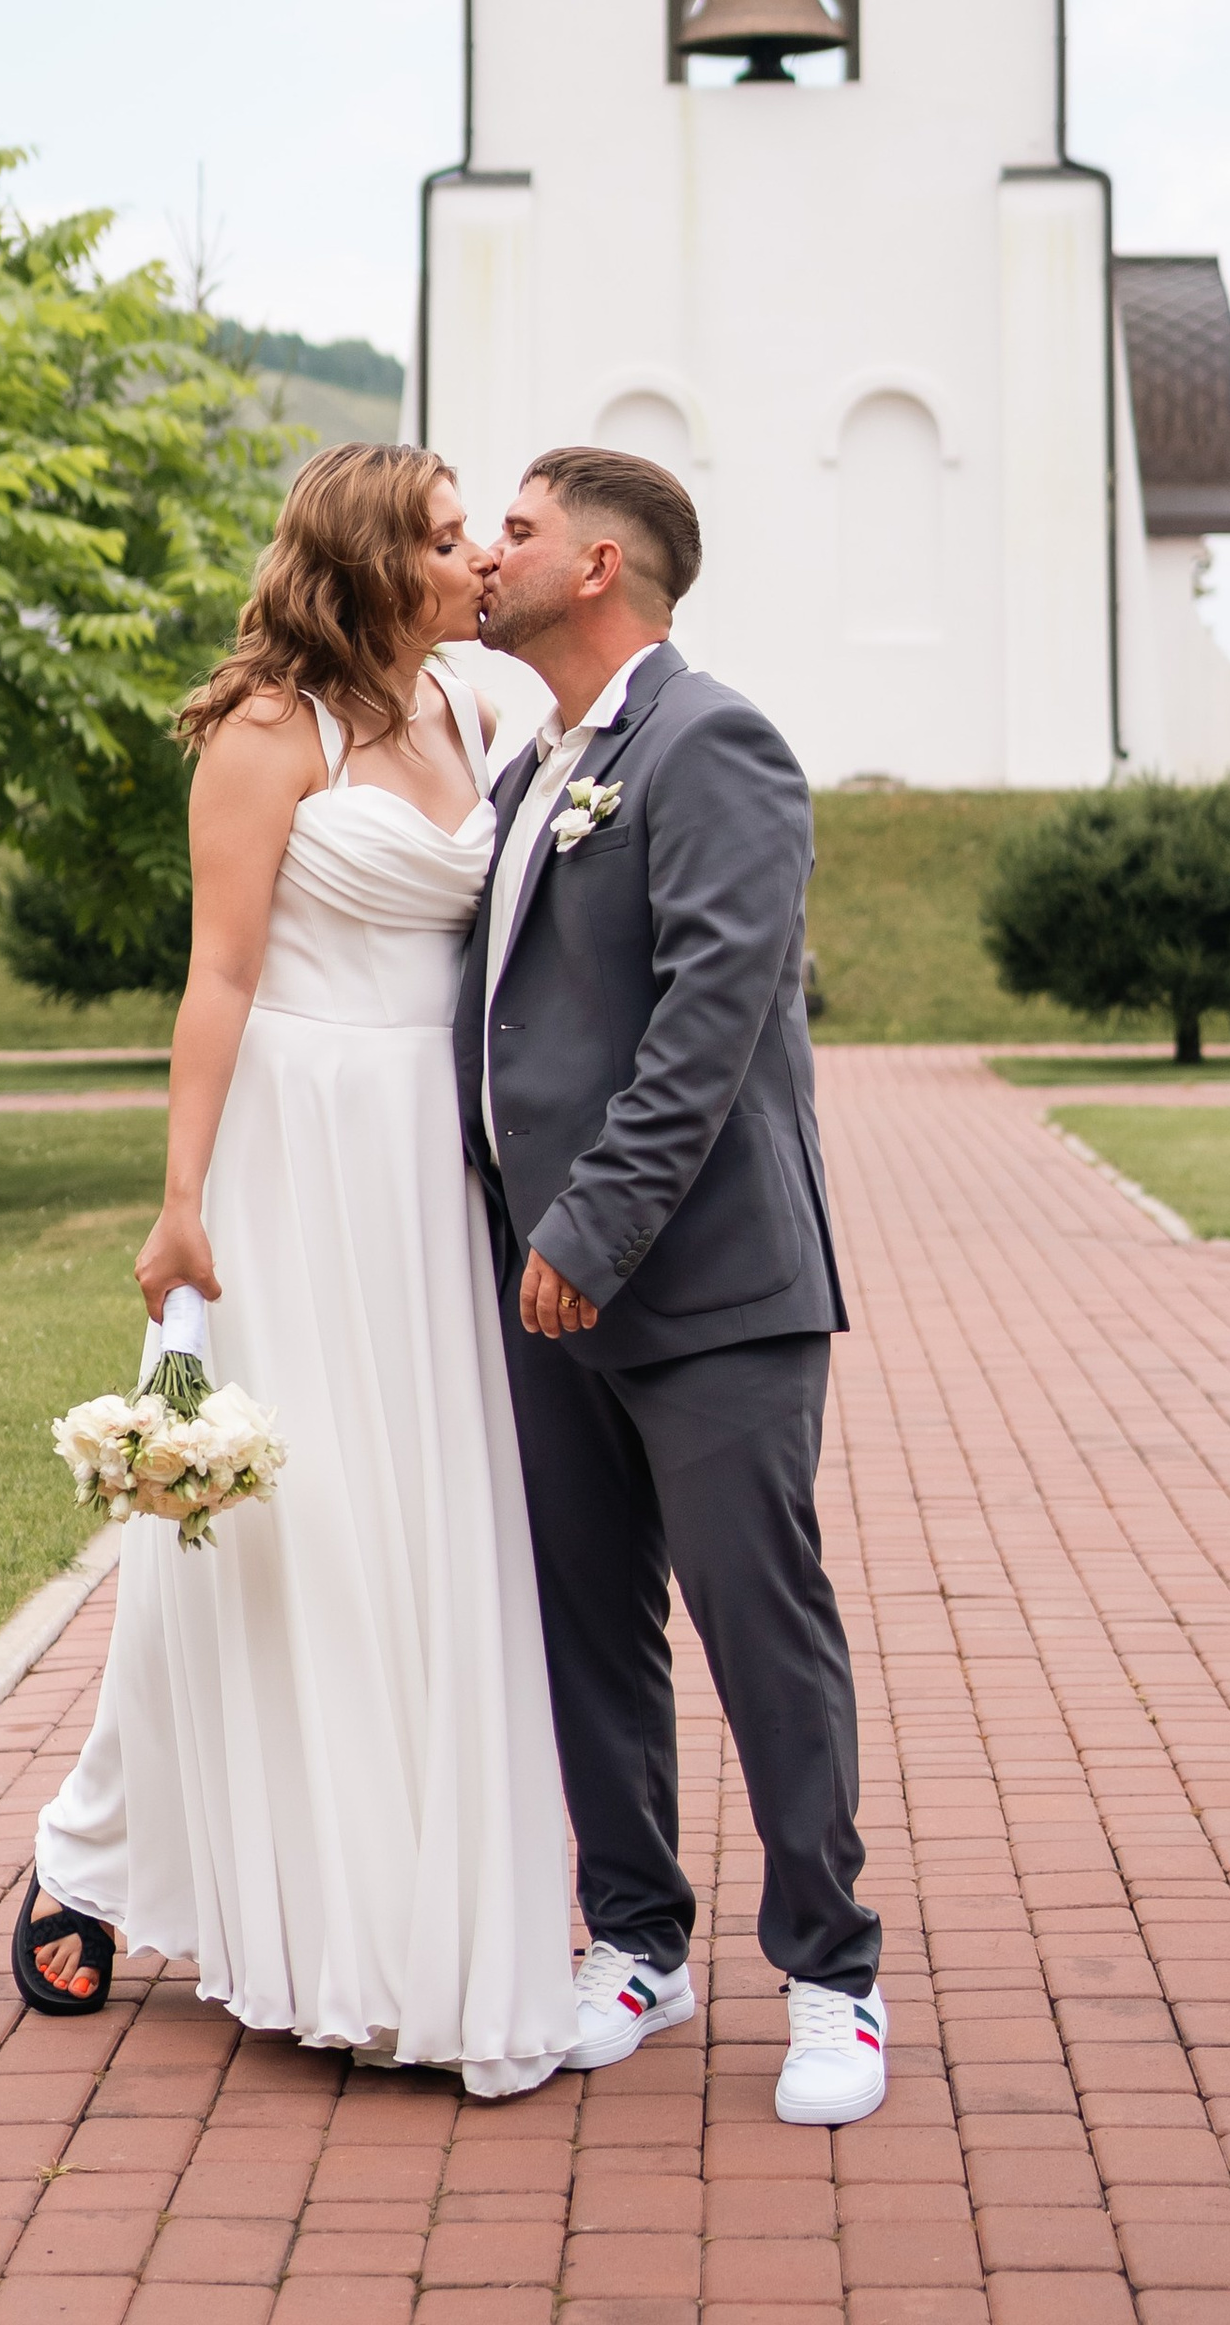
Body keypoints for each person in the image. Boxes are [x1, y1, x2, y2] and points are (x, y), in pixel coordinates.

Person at [15, 443, 579, 2099]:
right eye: (445, 531)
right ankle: (99, 1858)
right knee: (280, 1530)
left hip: (435, 1162)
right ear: (368, 558)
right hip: (298, 1151)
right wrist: (181, 1203)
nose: (478, 554)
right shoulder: (269, 733)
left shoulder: (474, 716)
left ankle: (416, 1903)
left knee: (428, 1518)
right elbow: (218, 978)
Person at [462, 446, 887, 2127]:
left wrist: (588, 1226)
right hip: (543, 1287)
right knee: (589, 1628)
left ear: (599, 566)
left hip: (702, 1283)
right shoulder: (524, 769)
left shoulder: (714, 743)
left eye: (515, 526)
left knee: (757, 1623)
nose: (486, 551)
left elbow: (710, 1017)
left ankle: (836, 1975)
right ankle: (637, 1942)